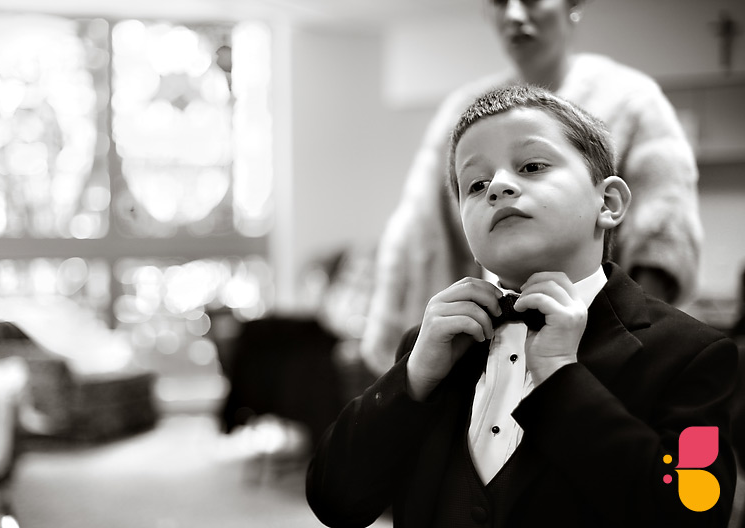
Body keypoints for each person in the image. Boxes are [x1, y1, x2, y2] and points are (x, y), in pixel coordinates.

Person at [306, 85, 737, 527]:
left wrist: (562, 378)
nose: (497, 186)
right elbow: (335, 501)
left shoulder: (692, 353)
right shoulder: (431, 347)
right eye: (476, 185)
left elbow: (696, 508)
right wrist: (412, 380)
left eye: (532, 166)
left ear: (607, 203)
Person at [361, 0, 703, 376]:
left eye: (533, 167)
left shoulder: (632, 102)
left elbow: (662, 237)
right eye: (500, 2)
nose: (514, 15)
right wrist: (424, 368)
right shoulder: (458, 114)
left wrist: (625, 349)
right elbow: (421, 238)